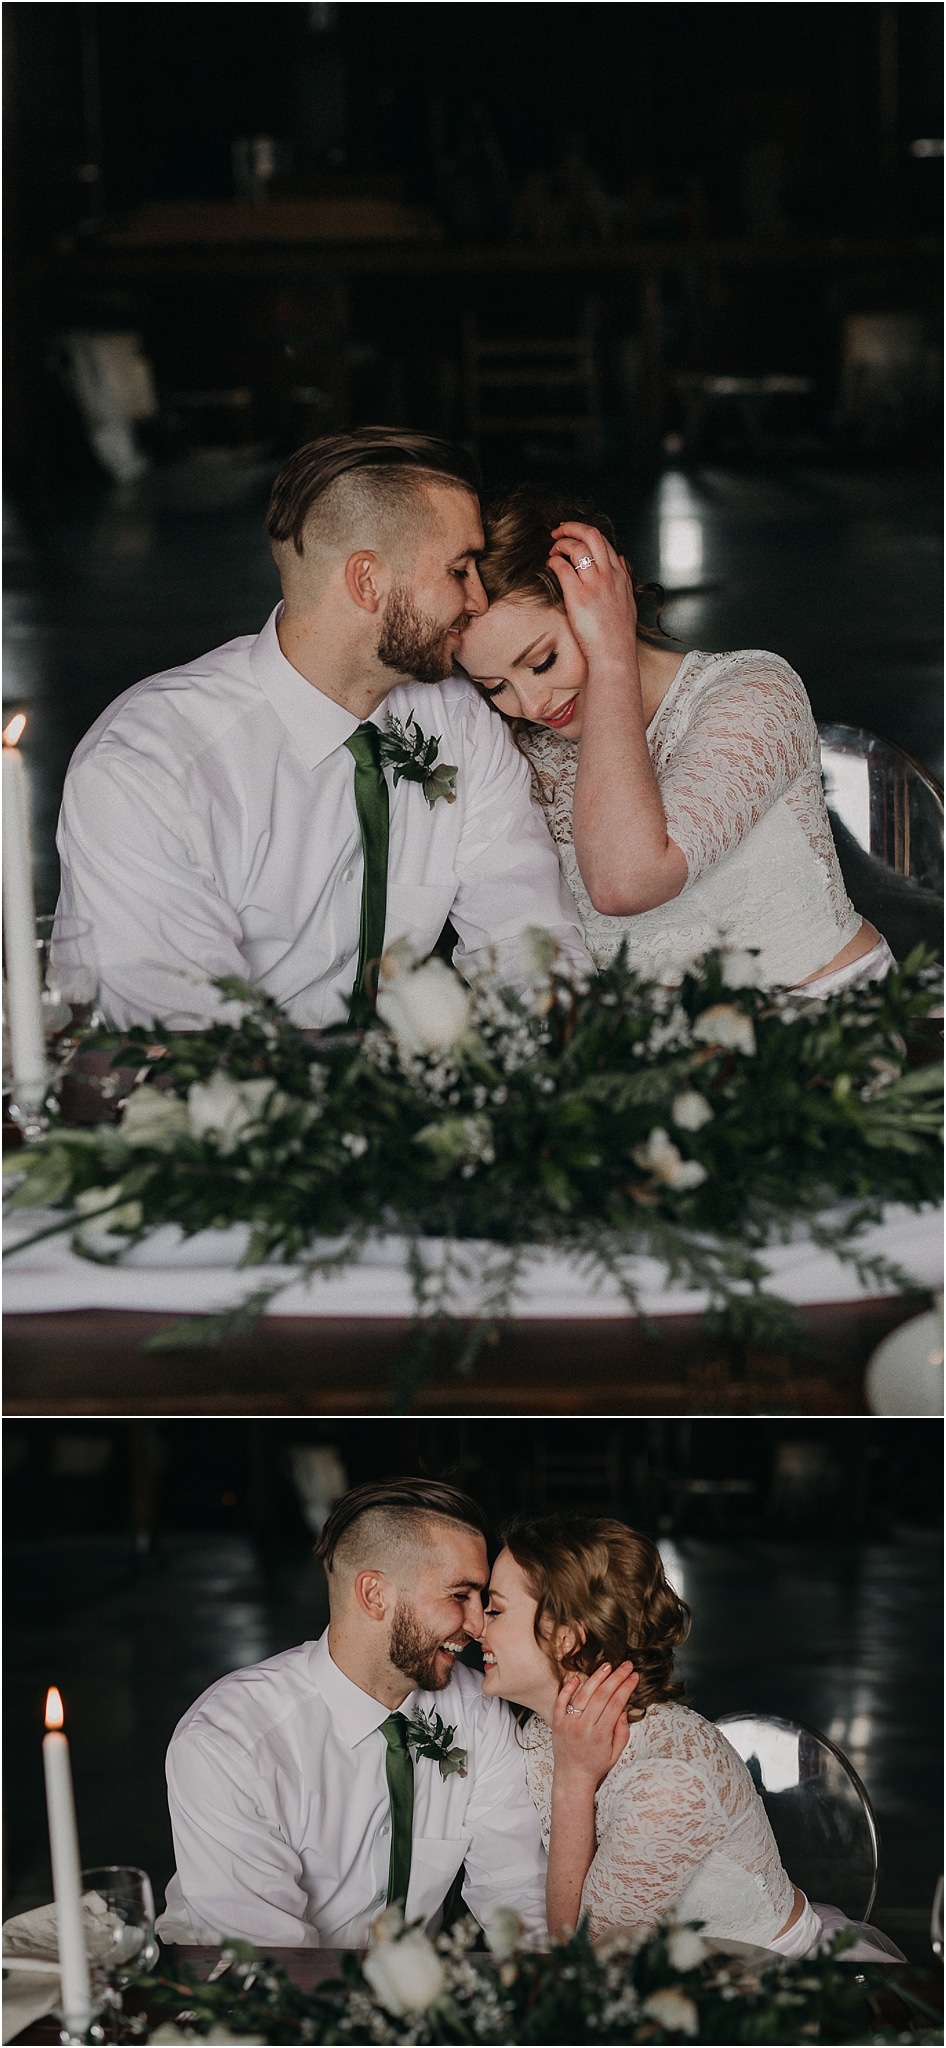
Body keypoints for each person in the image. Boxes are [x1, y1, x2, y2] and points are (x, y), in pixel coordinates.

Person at [54, 434, 589, 1030]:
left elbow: (529, 940)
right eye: (459, 569)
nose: (477, 598)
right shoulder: (150, 770)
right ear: (367, 581)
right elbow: (185, 1036)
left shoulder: (458, 719)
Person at [457, 488, 894, 994]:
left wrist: (614, 652)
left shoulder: (754, 690)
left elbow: (627, 881)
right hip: (651, 1056)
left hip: (826, 1019)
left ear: (606, 603)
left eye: (542, 661)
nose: (532, 705)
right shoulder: (518, 751)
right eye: (495, 688)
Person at [480, 1513, 903, 1961]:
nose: (476, 1627)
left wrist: (573, 1780)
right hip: (665, 1975)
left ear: (566, 1638)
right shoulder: (549, 1728)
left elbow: (585, 1957)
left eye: (495, 1610)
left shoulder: (668, 1781)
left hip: (773, 1980)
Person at [155, 1479, 548, 1950]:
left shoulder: (478, 1709)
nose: (478, 1624)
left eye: (481, 1599)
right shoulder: (230, 1743)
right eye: (459, 1595)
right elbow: (270, 1962)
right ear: (374, 1595)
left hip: (417, 2000)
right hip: (246, 1998)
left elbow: (516, 1891)